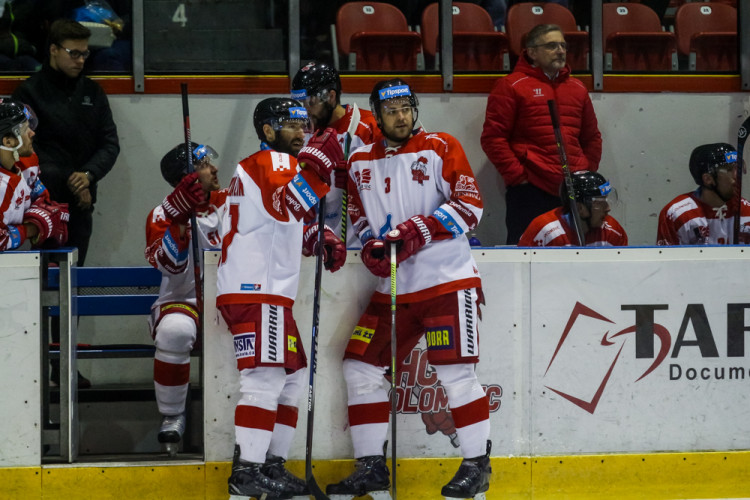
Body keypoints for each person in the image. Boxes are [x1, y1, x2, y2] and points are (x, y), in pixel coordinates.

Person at [327, 79, 492, 499]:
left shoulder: (441, 146)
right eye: (391, 110)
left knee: (456, 373)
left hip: (445, 282)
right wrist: (369, 245)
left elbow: (470, 206)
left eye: (406, 108)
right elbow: (359, 216)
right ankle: (371, 467)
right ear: (376, 116)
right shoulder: (361, 159)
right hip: (395, 287)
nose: (401, 116)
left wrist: (418, 230)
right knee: (359, 365)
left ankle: (476, 465)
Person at [216, 98, 346, 498]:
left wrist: (316, 235)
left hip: (264, 290)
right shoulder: (271, 162)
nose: (300, 131)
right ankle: (248, 471)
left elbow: (279, 221)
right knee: (265, 379)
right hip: (259, 289)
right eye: (289, 124)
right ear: (267, 132)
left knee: (290, 379)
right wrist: (320, 169)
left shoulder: (265, 167)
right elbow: (289, 205)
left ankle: (270, 464)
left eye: (302, 124)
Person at [480, 23, 602, 245]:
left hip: (574, 190)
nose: (560, 51)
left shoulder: (577, 88)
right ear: (532, 52)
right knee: (526, 256)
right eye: (552, 46)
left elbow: (592, 137)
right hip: (531, 191)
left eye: (563, 45)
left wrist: (586, 170)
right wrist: (519, 177)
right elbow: (493, 138)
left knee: (576, 255)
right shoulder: (511, 86)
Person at [12, 18, 120, 268]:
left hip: (82, 201)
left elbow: (110, 143)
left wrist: (89, 174)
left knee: (75, 275)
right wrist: (72, 181)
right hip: (42, 205)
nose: (81, 60)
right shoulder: (28, 93)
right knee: (44, 278)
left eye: (85, 54)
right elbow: (26, 150)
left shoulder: (93, 93)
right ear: (53, 49)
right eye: (74, 53)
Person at [144, 142, 226, 456]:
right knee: (174, 330)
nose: (215, 169)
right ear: (186, 177)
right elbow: (170, 265)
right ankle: (172, 414)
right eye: (205, 165)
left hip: (230, 299)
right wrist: (179, 220)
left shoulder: (231, 200)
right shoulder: (161, 214)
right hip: (183, 300)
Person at [291, 60, 380, 247]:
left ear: (331, 96)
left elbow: (392, 181)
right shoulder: (301, 132)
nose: (305, 110)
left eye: (310, 102)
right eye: (301, 103)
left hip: (360, 244)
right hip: (317, 244)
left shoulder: (368, 126)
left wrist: (355, 177)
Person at [0, 97, 68, 251]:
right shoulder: (1, 187)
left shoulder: (27, 164)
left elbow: (42, 199)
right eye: (25, 129)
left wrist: (38, 218)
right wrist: (31, 229)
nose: (32, 133)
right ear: (8, 142)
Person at [657, 143, 750, 245]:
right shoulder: (676, 214)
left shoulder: (747, 212)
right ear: (708, 179)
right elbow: (669, 260)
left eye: (738, 168)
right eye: (729, 170)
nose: (737, 176)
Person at [518, 170, 627, 246]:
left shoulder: (613, 231)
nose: (608, 208)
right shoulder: (544, 232)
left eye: (607, 200)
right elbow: (523, 272)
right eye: (599, 203)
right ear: (579, 208)